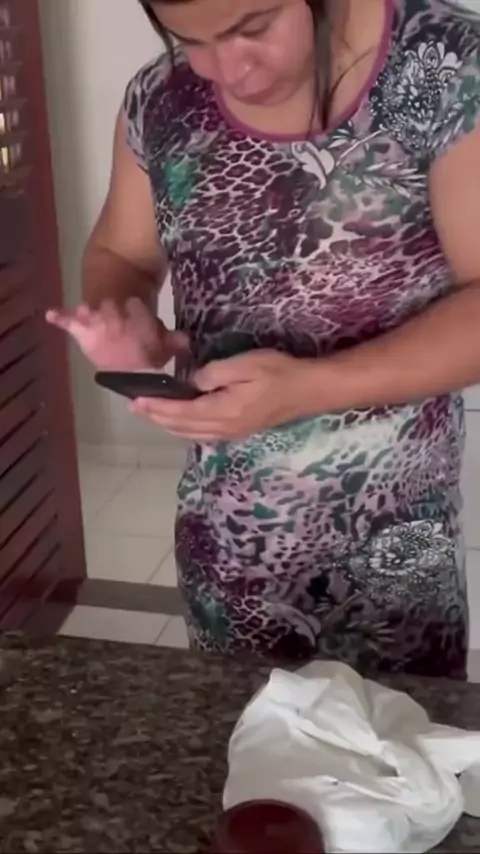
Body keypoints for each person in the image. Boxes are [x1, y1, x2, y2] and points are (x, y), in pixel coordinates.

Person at [47, 0, 480, 679]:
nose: (229, 69)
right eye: (190, 39)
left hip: (394, 568)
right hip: (224, 555)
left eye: (253, 28)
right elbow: (120, 252)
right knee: (238, 737)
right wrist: (124, 317)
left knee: (393, 740)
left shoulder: (448, 69)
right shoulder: (160, 99)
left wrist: (310, 389)